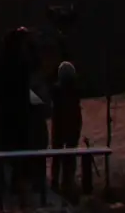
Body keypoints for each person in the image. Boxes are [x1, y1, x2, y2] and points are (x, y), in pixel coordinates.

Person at [0, 28, 43, 207]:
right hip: (18, 112)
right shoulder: (21, 61)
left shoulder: (1, 58)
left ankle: (3, 186)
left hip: (3, 112)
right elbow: (35, 65)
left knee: (2, 150)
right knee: (20, 151)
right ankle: (16, 186)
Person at [48, 61, 86, 196]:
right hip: (70, 125)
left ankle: (59, 182)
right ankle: (65, 182)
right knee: (68, 155)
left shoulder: (57, 90)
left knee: (59, 155)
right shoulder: (72, 90)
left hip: (62, 125)